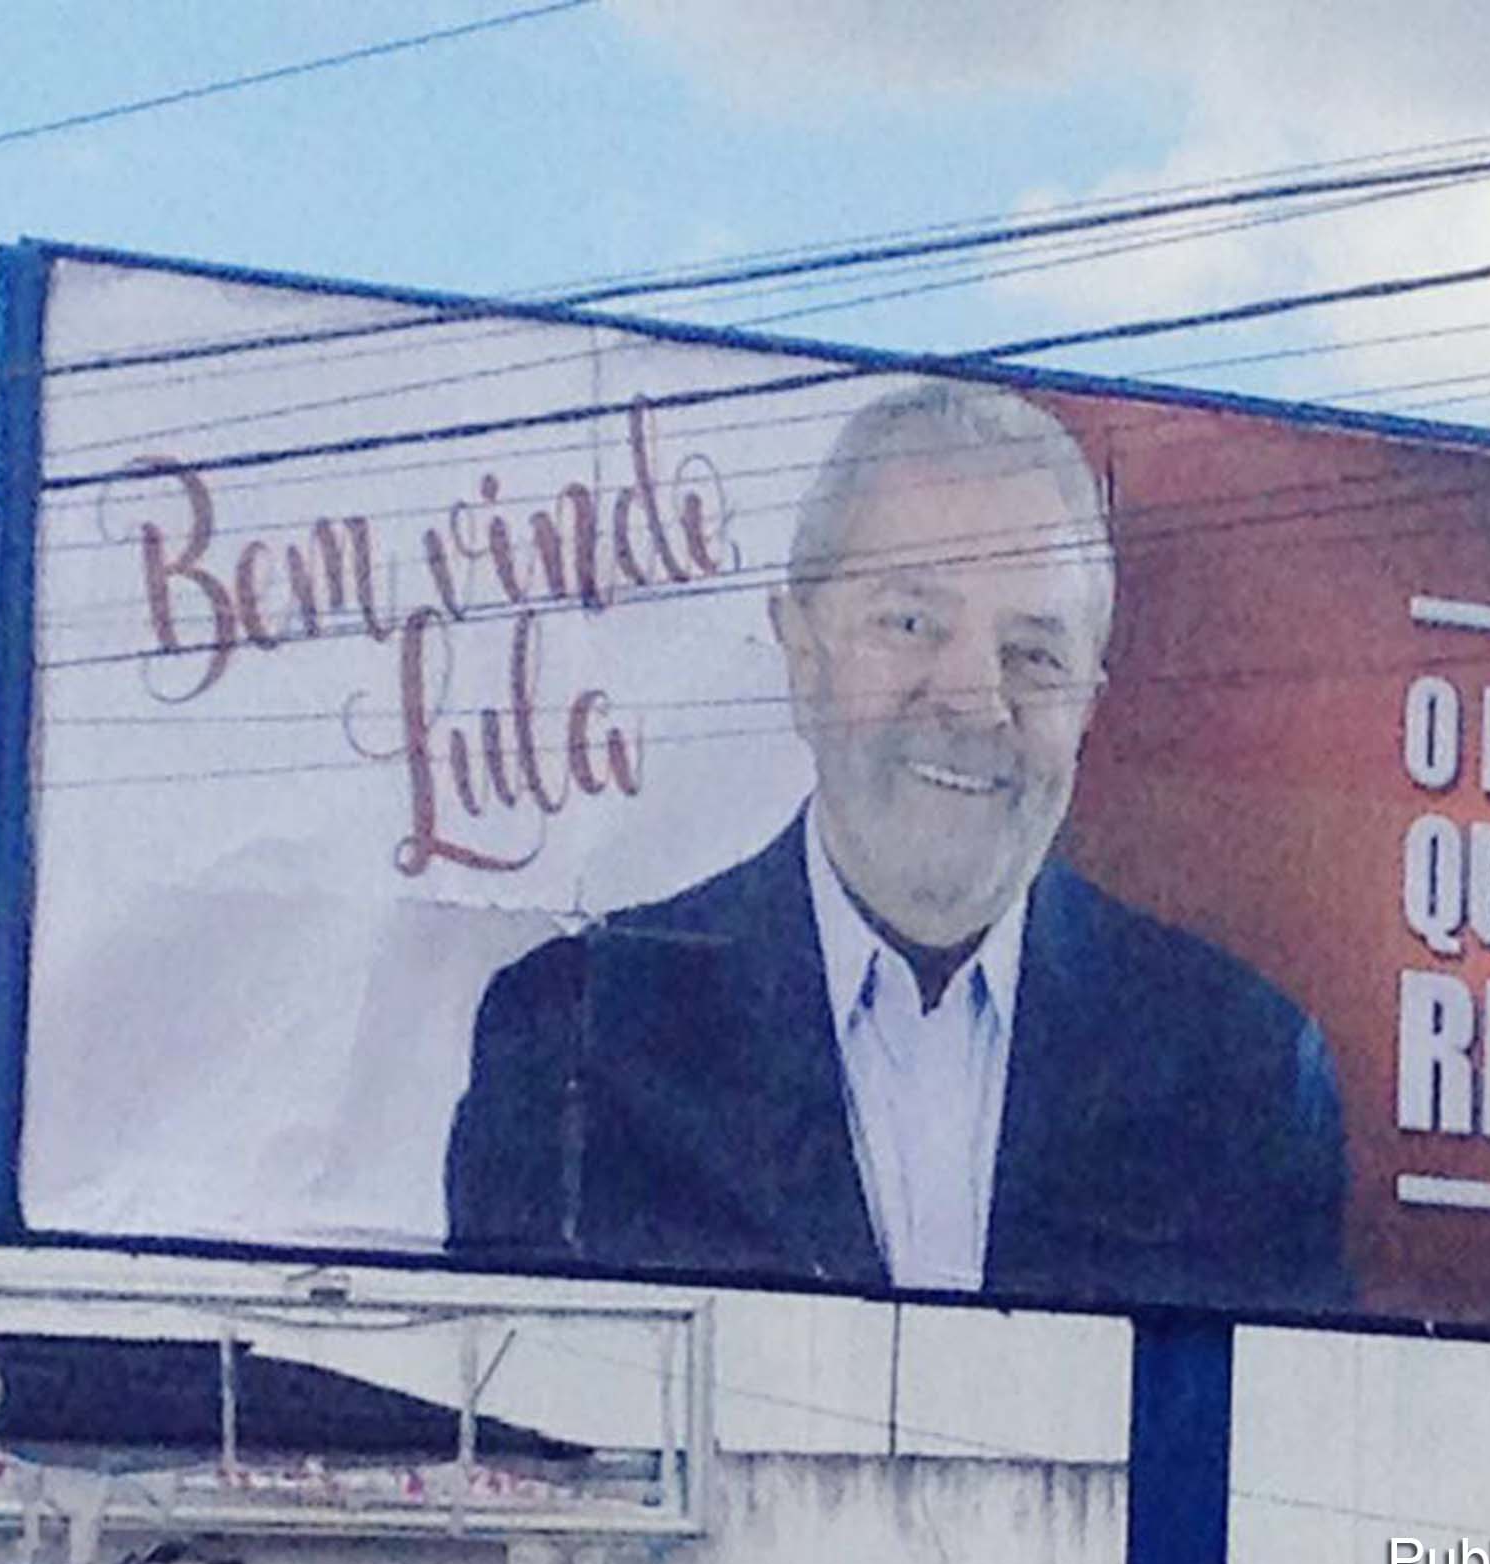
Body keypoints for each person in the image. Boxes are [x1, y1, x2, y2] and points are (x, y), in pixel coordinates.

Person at [446, 377, 1350, 1314]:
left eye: (1034, 653)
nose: (974, 701)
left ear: (1090, 700)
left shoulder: (1243, 1072)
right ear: (800, 652)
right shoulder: (579, 1039)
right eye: (911, 624)